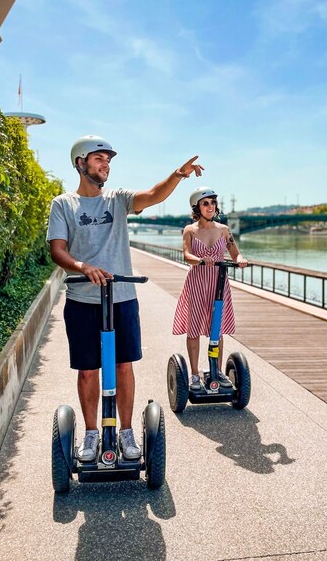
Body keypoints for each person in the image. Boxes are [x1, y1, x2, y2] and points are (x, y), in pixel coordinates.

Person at [47, 135, 203, 461]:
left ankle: (126, 431)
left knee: (122, 366)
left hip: (122, 297)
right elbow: (57, 250)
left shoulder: (117, 200)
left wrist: (178, 175)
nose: (106, 165)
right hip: (82, 300)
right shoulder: (63, 204)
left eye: (108, 160)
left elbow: (152, 195)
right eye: (99, 159)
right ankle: (91, 434)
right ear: (80, 163)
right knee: (88, 370)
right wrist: (83, 267)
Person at [172, 187, 247, 390]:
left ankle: (217, 370)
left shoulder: (224, 230)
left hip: (219, 282)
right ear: (197, 207)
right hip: (197, 282)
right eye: (205, 203)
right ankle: (195, 375)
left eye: (213, 203)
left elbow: (234, 252)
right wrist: (200, 260)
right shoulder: (190, 230)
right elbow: (187, 255)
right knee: (194, 328)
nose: (210, 206)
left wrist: (240, 260)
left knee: (217, 329)